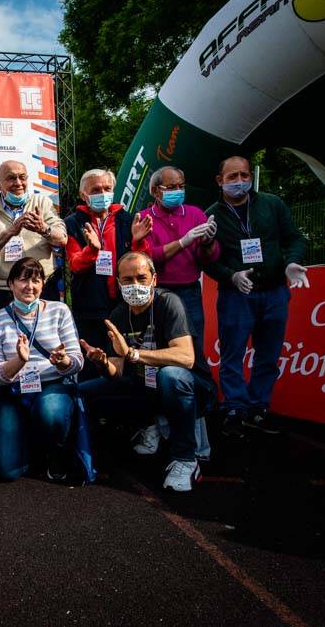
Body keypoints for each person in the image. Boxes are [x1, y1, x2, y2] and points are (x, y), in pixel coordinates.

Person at [203, 156, 309, 437]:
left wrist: (291, 262)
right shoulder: (211, 215)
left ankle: (260, 406)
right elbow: (205, 259)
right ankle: (235, 407)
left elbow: (294, 238)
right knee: (232, 354)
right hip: (237, 295)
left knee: (268, 354)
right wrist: (230, 276)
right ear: (220, 180)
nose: (240, 181)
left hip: (274, 291)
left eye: (244, 175)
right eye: (233, 177)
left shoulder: (272, 205)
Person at [78, 252, 201, 492]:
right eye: (127, 280)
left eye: (141, 278)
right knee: (82, 392)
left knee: (171, 376)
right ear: (118, 282)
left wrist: (133, 354)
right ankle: (146, 426)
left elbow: (186, 357)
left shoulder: (169, 303)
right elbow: (118, 371)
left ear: (154, 279)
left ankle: (185, 458)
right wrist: (102, 362)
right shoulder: (119, 314)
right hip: (141, 386)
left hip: (182, 388)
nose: (135, 285)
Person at [138, 165, 219, 459]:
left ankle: (198, 433)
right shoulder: (145, 218)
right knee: (158, 360)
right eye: (170, 186)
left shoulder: (196, 213)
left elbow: (209, 257)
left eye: (180, 185)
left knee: (192, 359)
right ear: (156, 190)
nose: (176, 190)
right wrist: (183, 242)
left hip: (189, 292)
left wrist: (208, 241)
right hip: (157, 294)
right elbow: (148, 258)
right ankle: (161, 427)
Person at [0, 257, 83, 481]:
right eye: (23, 280)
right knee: (7, 472)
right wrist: (18, 360)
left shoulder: (59, 311)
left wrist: (63, 361)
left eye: (36, 280)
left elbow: (77, 360)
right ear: (10, 284)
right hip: (14, 392)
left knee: (51, 413)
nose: (30, 286)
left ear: (43, 284)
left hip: (52, 385)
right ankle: (27, 443)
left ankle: (55, 451)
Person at [64, 168, 152, 365]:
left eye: (107, 188)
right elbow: (75, 264)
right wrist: (92, 251)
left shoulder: (128, 220)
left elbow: (143, 264)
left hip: (125, 305)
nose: (102, 194)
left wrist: (138, 242)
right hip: (89, 307)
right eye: (95, 190)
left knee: (124, 360)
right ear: (83, 195)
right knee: (93, 360)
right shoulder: (72, 223)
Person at [0, 160, 67, 312]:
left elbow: (62, 238)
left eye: (22, 177)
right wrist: (10, 231)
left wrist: (44, 229)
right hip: (5, 292)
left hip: (42, 289)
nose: (18, 183)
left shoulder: (42, 202)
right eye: (11, 178)